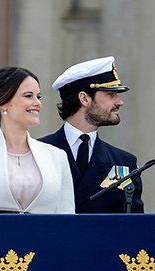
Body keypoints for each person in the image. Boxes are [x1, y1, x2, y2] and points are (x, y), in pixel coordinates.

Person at [0, 66, 75, 214]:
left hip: (45, 237)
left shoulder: (57, 156)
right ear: (3, 102)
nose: (37, 103)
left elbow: (67, 218)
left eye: (39, 96)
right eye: (28, 95)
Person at [40, 56, 144, 213]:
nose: (119, 102)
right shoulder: (38, 153)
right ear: (84, 98)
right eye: (111, 94)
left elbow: (135, 228)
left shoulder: (125, 162)